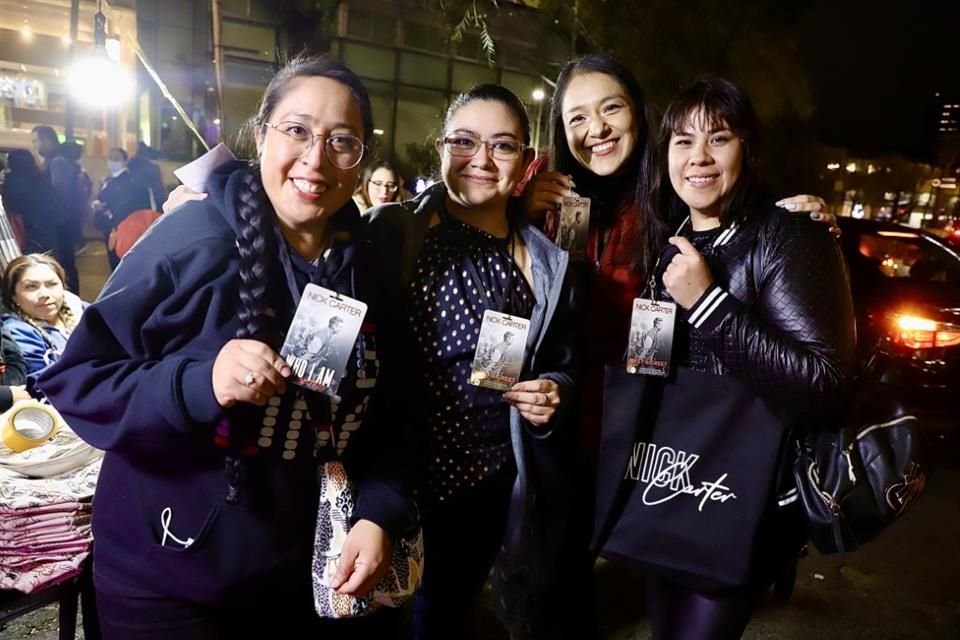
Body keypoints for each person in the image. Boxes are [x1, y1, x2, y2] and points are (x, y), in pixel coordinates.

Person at [37, 55, 416, 639]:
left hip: (302, 574)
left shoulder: (366, 268)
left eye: (342, 141)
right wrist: (198, 382)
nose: (316, 159)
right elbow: (77, 379)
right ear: (261, 135)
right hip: (167, 580)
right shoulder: (189, 241)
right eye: (297, 130)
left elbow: (388, 411)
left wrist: (378, 512)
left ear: (361, 159)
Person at [594, 77, 856, 640]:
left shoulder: (787, 234)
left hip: (743, 500)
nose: (699, 158)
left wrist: (708, 304)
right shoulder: (672, 242)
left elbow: (823, 383)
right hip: (670, 487)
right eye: (683, 142)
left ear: (749, 150)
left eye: (719, 138)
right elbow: (651, 369)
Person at [521, 54, 832, 463]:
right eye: (577, 118)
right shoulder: (545, 198)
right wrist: (518, 220)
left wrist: (804, 227)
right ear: (561, 130)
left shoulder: (679, 197)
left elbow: (745, 228)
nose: (596, 128)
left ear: (639, 111)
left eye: (611, 107)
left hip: (650, 439)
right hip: (556, 430)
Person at [366, 84, 584, 640]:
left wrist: (552, 389)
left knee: (443, 615)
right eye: (464, 141)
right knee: (368, 617)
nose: (482, 160)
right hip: (389, 477)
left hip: (484, 484)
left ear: (526, 161)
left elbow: (560, 360)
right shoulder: (392, 232)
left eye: (503, 145)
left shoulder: (544, 261)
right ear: (440, 147)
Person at [1, 254, 84, 378]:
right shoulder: (18, 332)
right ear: (14, 296)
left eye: (52, 284)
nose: (44, 294)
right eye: (31, 287)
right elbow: (47, 382)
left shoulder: (79, 308)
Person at [30, 125, 81, 292]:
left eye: (36, 140)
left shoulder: (58, 162)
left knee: (63, 265)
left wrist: (57, 223)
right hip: (60, 225)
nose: (35, 145)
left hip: (60, 226)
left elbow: (60, 195)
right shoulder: (52, 161)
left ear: (47, 140)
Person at [92, 147, 153, 269]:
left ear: (125, 161)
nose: (112, 161)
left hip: (122, 228)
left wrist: (106, 210)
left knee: (120, 262)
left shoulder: (129, 182)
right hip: (110, 228)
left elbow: (127, 206)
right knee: (114, 260)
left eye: (116, 158)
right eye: (110, 158)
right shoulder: (108, 180)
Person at [0, 149, 60, 253]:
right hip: (46, 233)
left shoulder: (12, 183)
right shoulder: (43, 180)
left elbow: (11, 208)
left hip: (25, 236)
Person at [127, 141, 167, 208]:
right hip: (154, 199)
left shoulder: (131, 165)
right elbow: (160, 187)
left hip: (140, 200)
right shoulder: (153, 167)